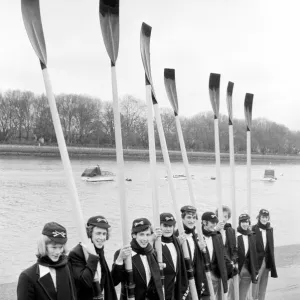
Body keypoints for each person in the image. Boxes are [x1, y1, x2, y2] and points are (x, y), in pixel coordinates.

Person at [17, 222, 76, 300]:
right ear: (44, 246)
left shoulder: (67, 267)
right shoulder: (27, 277)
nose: (58, 252)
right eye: (54, 247)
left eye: (61, 247)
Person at [111, 217, 164, 300]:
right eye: (141, 234)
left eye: (147, 234)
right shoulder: (123, 253)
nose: (145, 239)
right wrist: (120, 259)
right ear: (134, 235)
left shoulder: (152, 252)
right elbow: (114, 281)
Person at [68, 215, 117, 300]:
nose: (102, 238)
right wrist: (93, 257)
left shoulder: (99, 250)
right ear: (89, 233)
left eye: (104, 234)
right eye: (98, 233)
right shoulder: (76, 253)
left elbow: (104, 279)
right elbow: (85, 282)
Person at [156, 212, 190, 300]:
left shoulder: (175, 241)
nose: (168, 229)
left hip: (175, 286)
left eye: (170, 226)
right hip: (162, 288)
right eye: (165, 226)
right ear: (159, 226)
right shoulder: (155, 244)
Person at [180, 205, 209, 299]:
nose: (192, 220)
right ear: (182, 218)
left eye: (194, 218)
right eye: (188, 217)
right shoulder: (177, 237)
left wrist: (201, 250)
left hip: (195, 278)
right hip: (183, 281)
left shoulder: (195, 237)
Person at [201, 211, 229, 300]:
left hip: (215, 274)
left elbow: (222, 254)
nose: (214, 225)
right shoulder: (197, 237)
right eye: (212, 223)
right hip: (202, 276)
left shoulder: (217, 236)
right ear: (204, 222)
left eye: (215, 223)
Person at [251, 209, 278, 300]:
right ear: (259, 217)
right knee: (255, 285)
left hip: (266, 261)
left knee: (263, 284)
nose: (264, 219)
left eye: (266, 217)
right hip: (257, 261)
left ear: (268, 218)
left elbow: (271, 246)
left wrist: (271, 262)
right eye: (263, 217)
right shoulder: (253, 229)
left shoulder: (270, 229)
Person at [215, 206, 238, 300]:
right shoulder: (213, 231)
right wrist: (215, 230)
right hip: (217, 267)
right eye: (221, 216)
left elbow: (234, 248)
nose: (223, 219)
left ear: (228, 217)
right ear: (216, 217)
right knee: (218, 293)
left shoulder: (231, 231)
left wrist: (234, 261)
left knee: (229, 292)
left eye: (225, 216)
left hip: (229, 266)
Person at [236, 213, 259, 299]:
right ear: (239, 223)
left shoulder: (252, 235)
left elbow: (253, 254)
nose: (245, 224)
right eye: (242, 222)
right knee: (233, 295)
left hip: (248, 270)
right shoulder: (235, 234)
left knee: (242, 295)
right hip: (236, 270)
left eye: (247, 221)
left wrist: (255, 270)